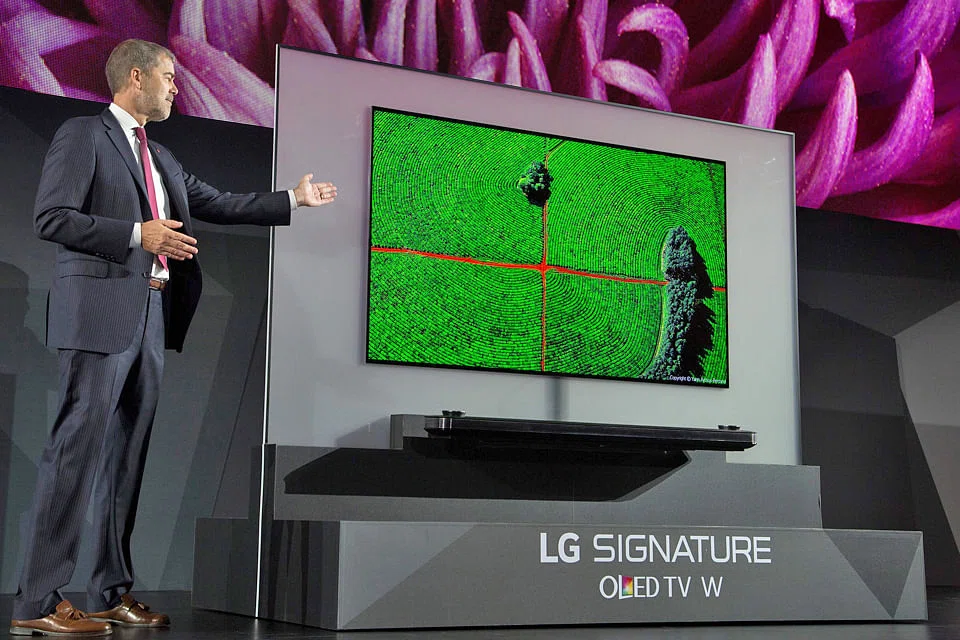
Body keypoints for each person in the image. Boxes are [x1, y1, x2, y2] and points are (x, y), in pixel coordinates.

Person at [9, 39, 337, 637]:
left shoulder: (159, 155)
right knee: (74, 454)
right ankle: (36, 602)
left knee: (127, 461)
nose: (177, 87)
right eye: (168, 76)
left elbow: (218, 202)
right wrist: (140, 235)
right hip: (99, 313)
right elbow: (51, 217)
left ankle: (109, 592)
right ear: (136, 77)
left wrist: (293, 199)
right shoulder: (83, 136)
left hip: (151, 316)